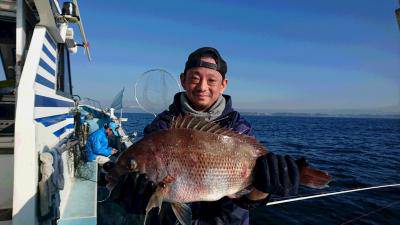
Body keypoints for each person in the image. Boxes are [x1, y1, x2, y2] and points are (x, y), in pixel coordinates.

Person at [109, 47, 301, 225]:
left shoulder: (239, 129)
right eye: (194, 78)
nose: (202, 87)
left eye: (211, 80)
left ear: (223, 85)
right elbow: (145, 203)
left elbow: (247, 201)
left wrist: (265, 188)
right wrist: (134, 197)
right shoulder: (161, 127)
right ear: (183, 80)